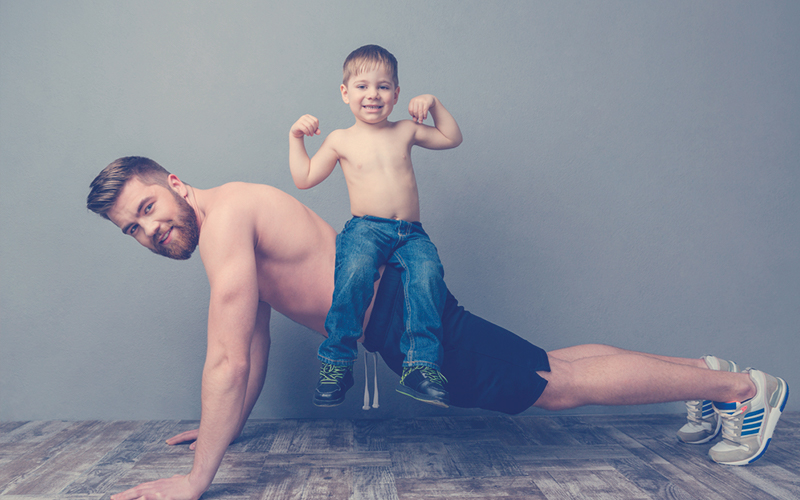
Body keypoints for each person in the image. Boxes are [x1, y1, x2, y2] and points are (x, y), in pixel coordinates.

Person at [87, 157, 788, 500]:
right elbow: (256, 340)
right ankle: (705, 372)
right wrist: (226, 431)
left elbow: (226, 359)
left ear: (175, 182)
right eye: (133, 229)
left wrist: (194, 479)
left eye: (149, 206)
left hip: (404, 317)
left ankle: (742, 389)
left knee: (557, 386)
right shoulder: (233, 222)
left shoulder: (227, 220)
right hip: (400, 308)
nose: (151, 229)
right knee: (551, 364)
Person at [289, 44, 462, 408]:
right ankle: (337, 362)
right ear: (345, 93)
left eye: (383, 87)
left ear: (397, 94)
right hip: (366, 229)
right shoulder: (340, 139)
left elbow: (451, 138)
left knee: (428, 275)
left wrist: (433, 103)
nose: (373, 94)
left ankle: (420, 365)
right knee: (353, 274)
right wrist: (296, 138)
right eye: (363, 86)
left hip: (410, 233)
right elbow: (304, 178)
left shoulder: (405, 130)